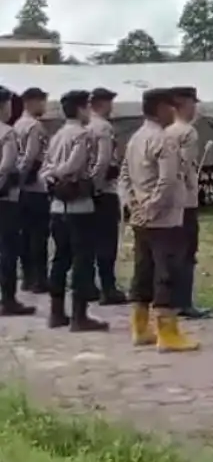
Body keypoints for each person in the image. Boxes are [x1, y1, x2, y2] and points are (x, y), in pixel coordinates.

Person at [120, 87, 198, 352]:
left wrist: (134, 205)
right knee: (168, 271)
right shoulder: (164, 140)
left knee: (143, 271)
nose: (174, 112)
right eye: (170, 107)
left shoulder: (136, 138)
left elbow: (125, 177)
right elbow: (167, 180)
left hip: (141, 216)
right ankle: (168, 333)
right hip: (164, 217)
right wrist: (153, 206)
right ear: (161, 109)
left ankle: (140, 327)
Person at [42, 89, 108, 332]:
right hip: (79, 205)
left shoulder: (58, 134)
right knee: (82, 260)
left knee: (60, 258)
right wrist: (65, 176)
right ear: (82, 108)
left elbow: (46, 165)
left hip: (57, 206)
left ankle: (56, 312)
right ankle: (80, 316)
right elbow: (76, 163)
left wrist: (50, 177)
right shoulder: (82, 134)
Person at [167, 86, 209, 319]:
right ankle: (184, 301)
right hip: (185, 199)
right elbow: (184, 166)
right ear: (184, 105)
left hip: (168, 199)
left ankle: (169, 298)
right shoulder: (188, 133)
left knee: (171, 251)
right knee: (187, 252)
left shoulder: (165, 131)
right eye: (193, 104)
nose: (195, 109)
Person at [86, 87, 127, 306]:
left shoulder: (85, 125)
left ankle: (89, 285)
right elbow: (103, 161)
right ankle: (108, 287)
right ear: (102, 104)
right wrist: (97, 186)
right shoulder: (103, 127)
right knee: (107, 242)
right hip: (104, 191)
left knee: (90, 241)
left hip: (88, 192)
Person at [0, 87, 34, 317]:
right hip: (6, 199)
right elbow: (8, 164)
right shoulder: (7, 133)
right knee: (8, 250)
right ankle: (8, 299)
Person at [14, 87, 50, 294]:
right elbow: (31, 156)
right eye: (41, 102)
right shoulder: (35, 127)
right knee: (38, 235)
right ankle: (39, 278)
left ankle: (28, 277)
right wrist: (25, 175)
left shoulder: (17, 125)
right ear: (30, 102)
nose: (44, 106)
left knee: (25, 235)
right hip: (35, 187)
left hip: (21, 190)